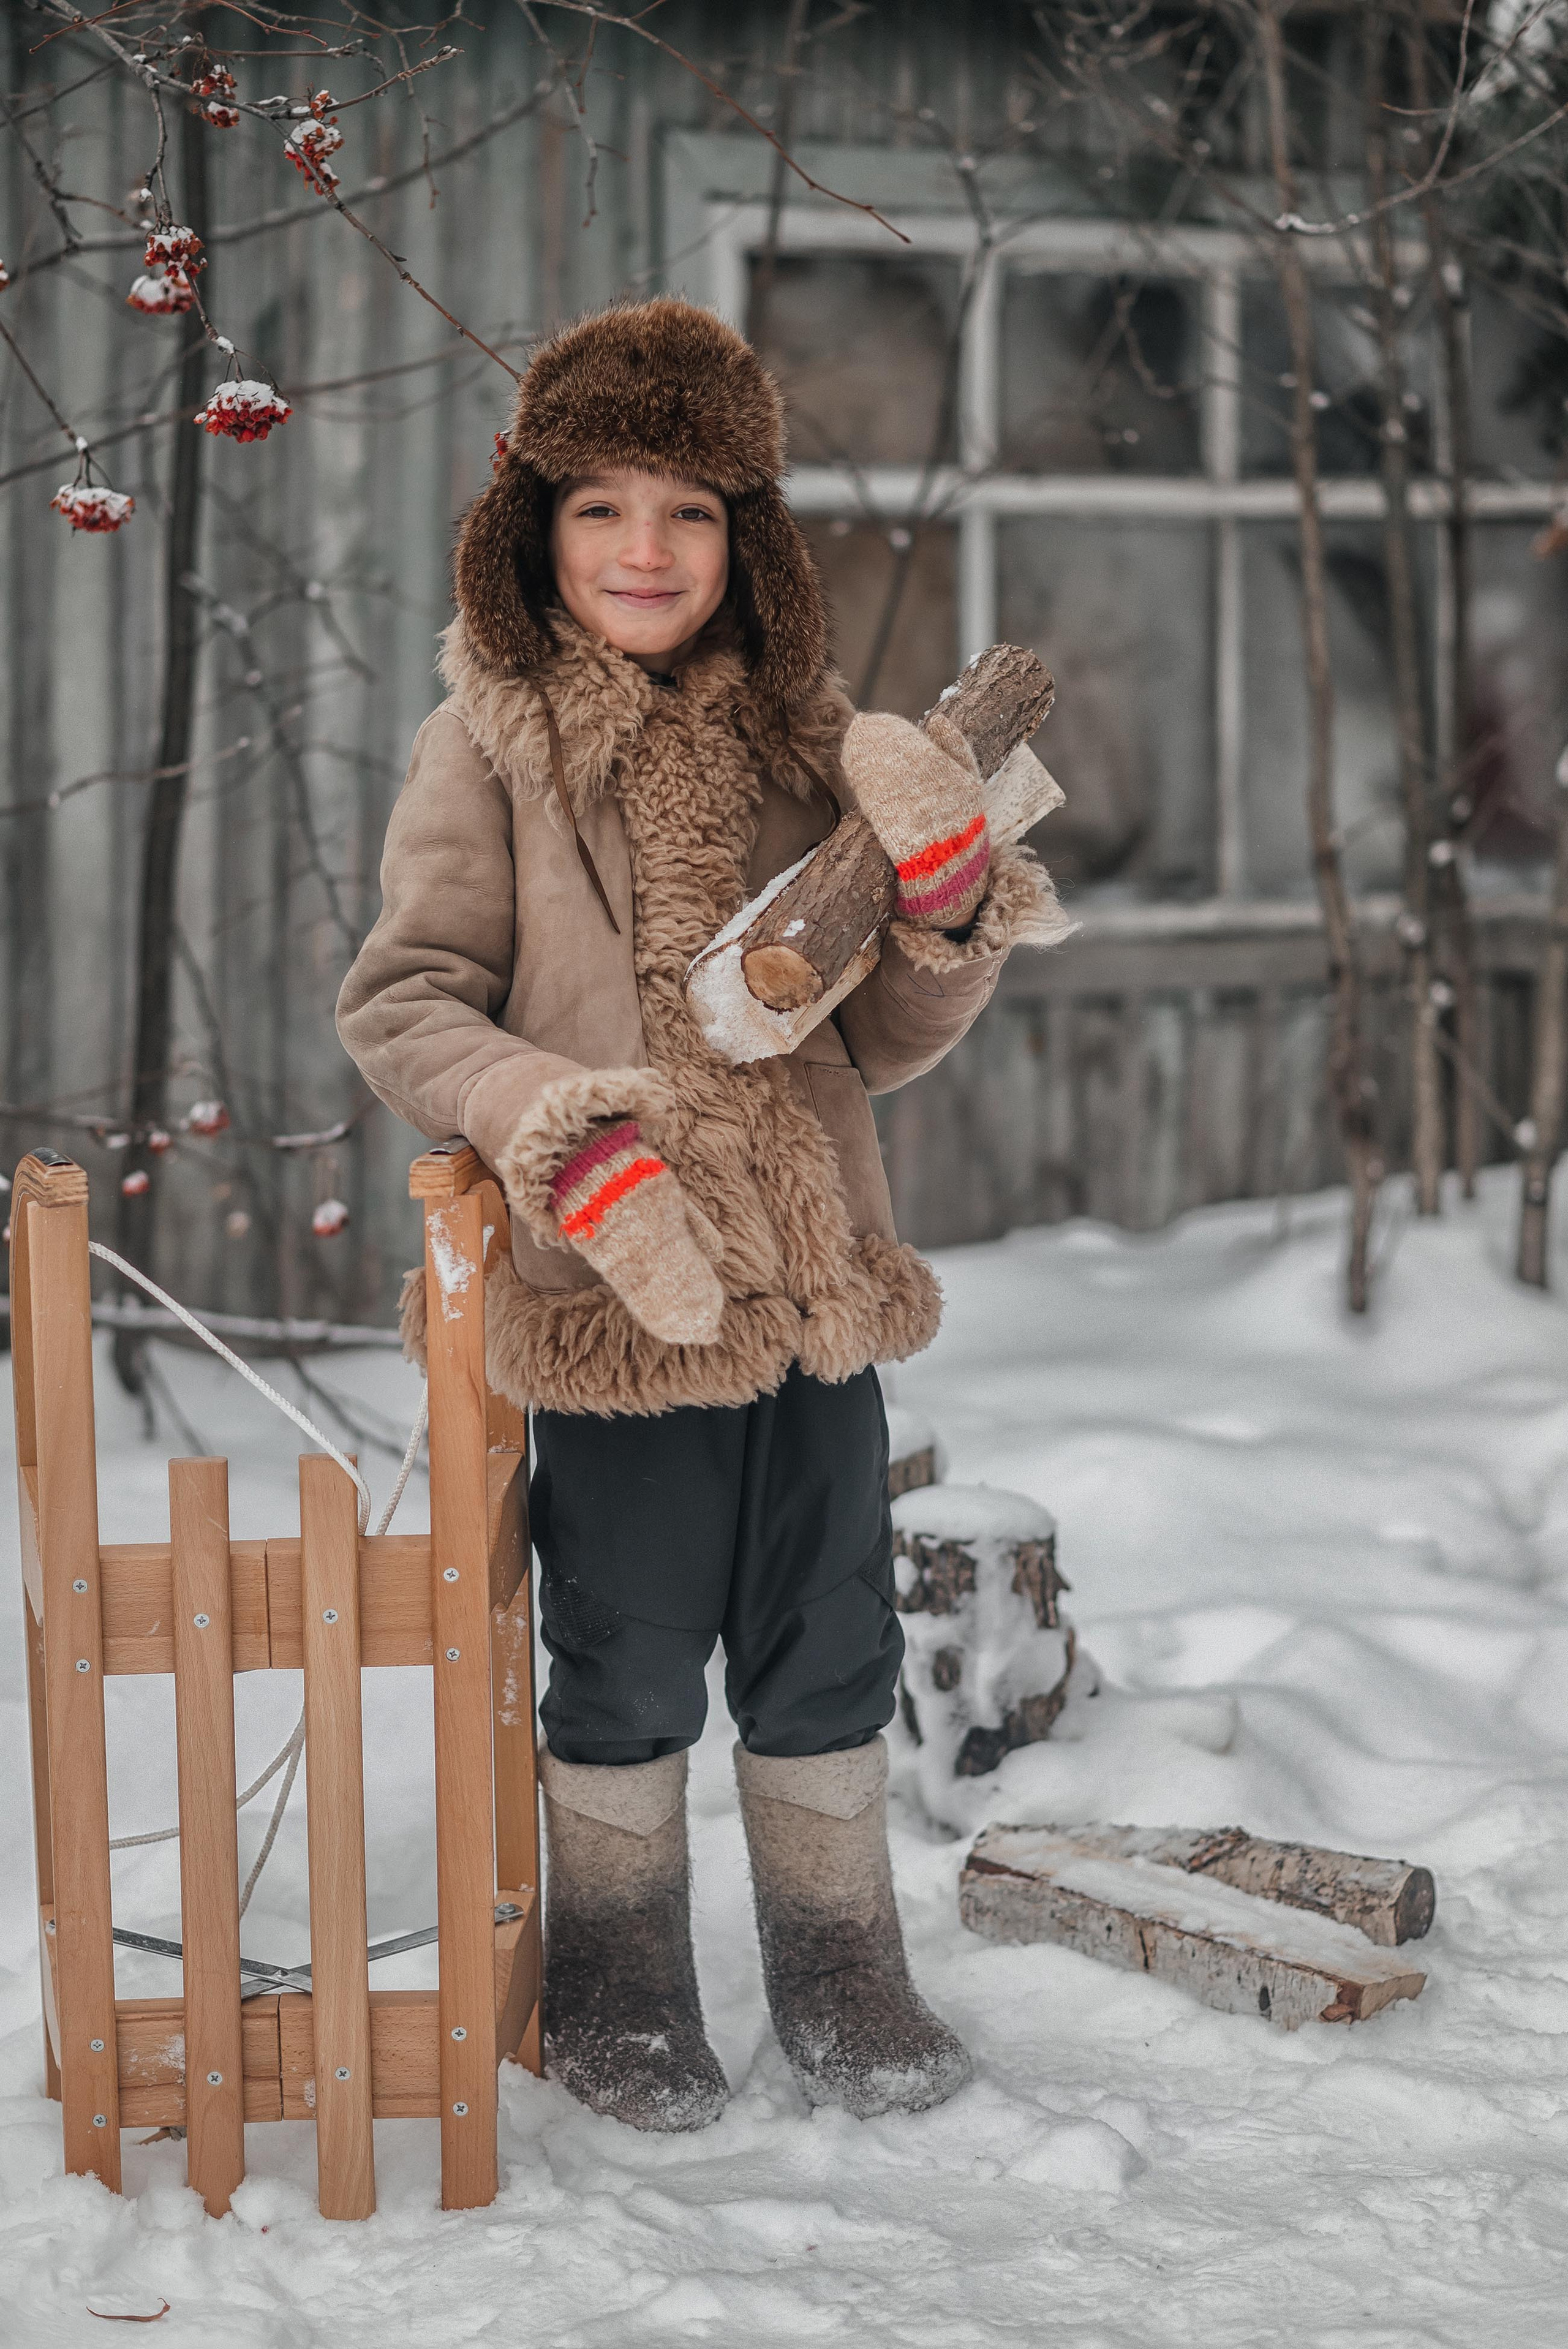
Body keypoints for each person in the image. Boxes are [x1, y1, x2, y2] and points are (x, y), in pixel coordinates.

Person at [336, 298, 1066, 2133]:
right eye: (602, 510)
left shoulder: (813, 743)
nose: (646, 551)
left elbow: (882, 1035)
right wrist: (544, 1121)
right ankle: (621, 1972)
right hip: (623, 1288)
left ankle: (839, 1967)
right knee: (632, 1636)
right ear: (533, 533)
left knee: (832, 1635)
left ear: (752, 542)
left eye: (688, 512)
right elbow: (405, 998)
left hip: (815, 1287)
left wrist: (948, 910)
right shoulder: (486, 745)